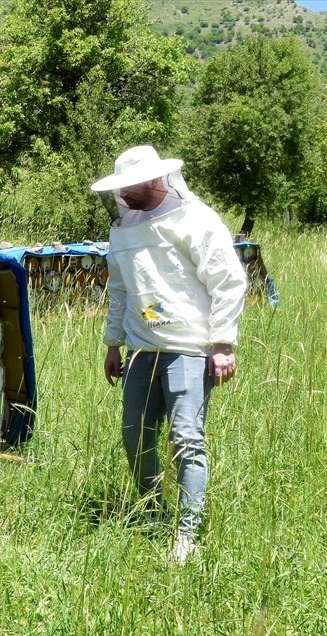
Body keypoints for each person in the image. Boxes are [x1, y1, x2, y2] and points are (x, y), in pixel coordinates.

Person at [90, 145, 247, 564]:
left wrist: (222, 343)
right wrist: (112, 344)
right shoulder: (121, 229)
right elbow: (120, 290)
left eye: (129, 186)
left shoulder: (197, 219)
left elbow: (228, 280)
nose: (122, 195)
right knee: (134, 436)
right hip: (141, 349)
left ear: (155, 179)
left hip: (189, 349)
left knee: (186, 440)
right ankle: (153, 517)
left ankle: (188, 534)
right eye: (118, 188)